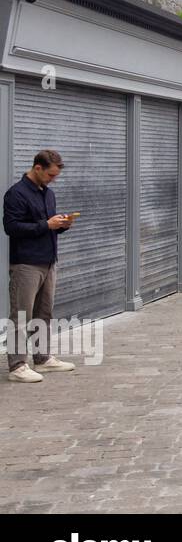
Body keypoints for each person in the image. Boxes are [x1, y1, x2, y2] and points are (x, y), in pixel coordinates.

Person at [4, 150, 77, 383]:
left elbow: (48, 225)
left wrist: (63, 224)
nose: (52, 179)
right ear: (37, 168)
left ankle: (42, 359)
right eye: (50, 175)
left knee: (44, 314)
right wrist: (46, 225)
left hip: (48, 261)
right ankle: (17, 366)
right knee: (21, 315)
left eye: (55, 176)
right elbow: (12, 227)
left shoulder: (49, 193)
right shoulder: (16, 194)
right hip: (25, 263)